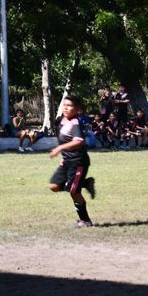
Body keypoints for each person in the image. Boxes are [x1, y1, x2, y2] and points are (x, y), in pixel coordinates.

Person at [47, 96, 96, 228]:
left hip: (78, 162)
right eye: (64, 105)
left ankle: (85, 221)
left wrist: (59, 148)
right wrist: (63, 155)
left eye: (69, 106)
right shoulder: (62, 121)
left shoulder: (75, 123)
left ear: (77, 109)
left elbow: (79, 141)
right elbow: (64, 139)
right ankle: (86, 183)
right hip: (67, 161)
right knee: (54, 186)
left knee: (74, 191)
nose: (66, 108)